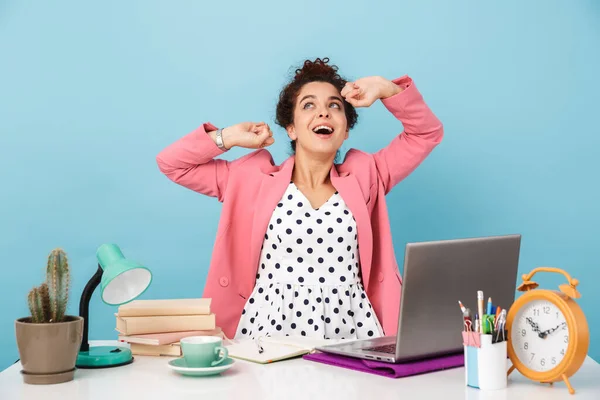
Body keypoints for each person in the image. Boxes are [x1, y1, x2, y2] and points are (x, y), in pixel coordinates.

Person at [156, 57, 443, 341]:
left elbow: (426, 133)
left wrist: (385, 89)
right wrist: (228, 137)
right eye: (309, 105)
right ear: (291, 128)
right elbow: (172, 164)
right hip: (268, 333)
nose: (324, 113)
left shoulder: (369, 176)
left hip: (352, 332)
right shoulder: (248, 179)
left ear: (344, 132)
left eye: (334, 105)